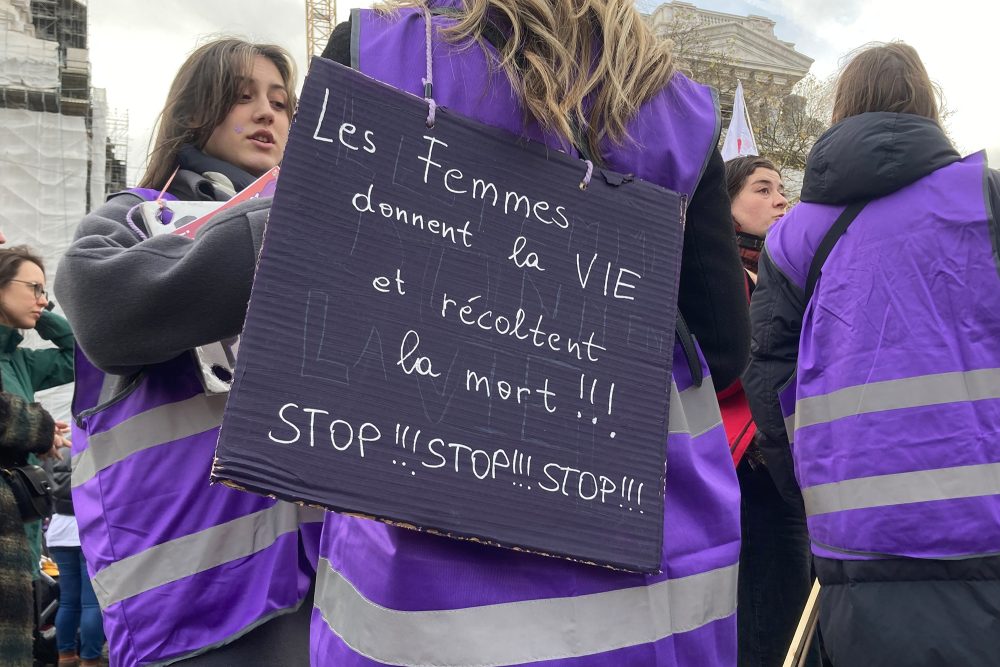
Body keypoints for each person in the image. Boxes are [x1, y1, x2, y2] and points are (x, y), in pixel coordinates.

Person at [312, 0, 749, 664]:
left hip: (417, 595)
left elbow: (317, 289)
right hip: (642, 596)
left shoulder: (376, 53)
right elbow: (721, 344)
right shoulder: (677, 109)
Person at [54, 39, 321, 666]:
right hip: (195, 611)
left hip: (327, 591)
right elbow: (103, 310)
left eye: (282, 104)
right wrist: (286, 219)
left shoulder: (330, 236)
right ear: (192, 113)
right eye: (241, 96)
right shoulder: (134, 219)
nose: (267, 115)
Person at [744, 41, 1000, 666]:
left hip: (852, 537)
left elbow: (768, 376)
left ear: (841, 107)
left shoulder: (793, 236)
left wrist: (810, 489)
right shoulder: (985, 199)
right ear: (926, 104)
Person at [720, 157, 815, 667]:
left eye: (782, 188)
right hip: (747, 470)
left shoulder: (784, 276)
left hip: (791, 467)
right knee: (769, 619)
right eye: (763, 188)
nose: (782, 199)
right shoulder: (719, 279)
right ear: (727, 205)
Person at [0, 245, 75, 580]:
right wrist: (38, 428)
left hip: (19, 518)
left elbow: (80, 356)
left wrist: (40, 314)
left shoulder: (21, 361)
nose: (43, 299)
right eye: (34, 289)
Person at [48, 447, 105, 667]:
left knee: (68, 601)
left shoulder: (59, 453)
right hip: (87, 529)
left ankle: (66, 656)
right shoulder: (91, 450)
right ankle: (91, 660)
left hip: (59, 531)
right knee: (91, 603)